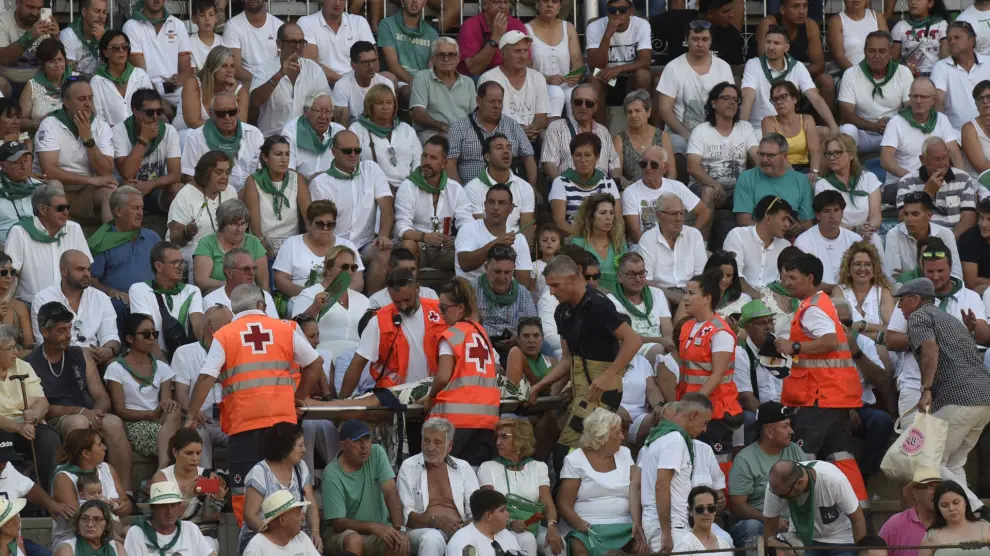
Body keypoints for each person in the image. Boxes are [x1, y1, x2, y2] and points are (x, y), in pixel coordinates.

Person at [184, 283, 323, 524]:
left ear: (234, 307)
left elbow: (207, 377)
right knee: (284, 482)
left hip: (244, 423)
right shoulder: (284, 328)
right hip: (282, 421)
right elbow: (315, 362)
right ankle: (290, 533)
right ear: (261, 304)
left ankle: (250, 536)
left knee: (245, 486)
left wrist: (190, 416)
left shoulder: (225, 335)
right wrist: (297, 397)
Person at [529, 255, 641, 469]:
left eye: (555, 285)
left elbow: (633, 341)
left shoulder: (598, 305)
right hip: (581, 390)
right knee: (566, 442)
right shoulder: (562, 311)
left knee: (566, 450)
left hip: (601, 392)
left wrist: (608, 375)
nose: (551, 292)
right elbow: (567, 360)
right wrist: (540, 386)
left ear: (572, 278)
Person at [774, 254, 869, 505]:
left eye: (792, 277)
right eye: (784, 277)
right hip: (834, 396)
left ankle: (801, 511)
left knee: (802, 456)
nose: (787, 282)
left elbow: (829, 341)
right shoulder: (820, 303)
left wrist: (794, 346)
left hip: (820, 396)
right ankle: (859, 510)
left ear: (809, 278)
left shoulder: (812, 309)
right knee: (841, 455)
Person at [896, 277, 990, 512]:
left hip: (958, 398)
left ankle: (976, 507)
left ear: (915, 299)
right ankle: (972, 519)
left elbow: (930, 350)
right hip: (984, 399)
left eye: (902, 300)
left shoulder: (919, 316)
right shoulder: (949, 318)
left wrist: (926, 389)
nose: (899, 306)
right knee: (954, 464)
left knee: (925, 457)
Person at [421, 276, 501, 462]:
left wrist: (430, 397)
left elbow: (443, 377)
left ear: (460, 308)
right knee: (473, 472)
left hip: (456, 419)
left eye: (443, 308)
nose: (440, 313)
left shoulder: (452, 335)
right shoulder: (481, 333)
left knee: (443, 471)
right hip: (487, 418)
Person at [309, 130, 394, 294]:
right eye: (348, 151)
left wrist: (383, 235)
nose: (353, 155)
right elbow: (322, 225)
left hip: (365, 245)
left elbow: (386, 207)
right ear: (334, 152)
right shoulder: (320, 183)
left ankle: (371, 303)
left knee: (384, 252)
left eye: (357, 150)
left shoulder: (371, 169)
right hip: (335, 247)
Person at [678, 270, 744, 476]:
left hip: (715, 411)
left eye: (691, 293)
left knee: (717, 464)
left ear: (707, 297)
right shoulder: (687, 326)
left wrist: (692, 405)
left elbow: (717, 375)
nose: (685, 298)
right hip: (692, 407)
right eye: (685, 293)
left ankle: (721, 495)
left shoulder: (720, 332)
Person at [558, 408, 644, 556]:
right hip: (589, 528)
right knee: (579, 547)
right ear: (602, 437)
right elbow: (564, 503)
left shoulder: (624, 453)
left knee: (642, 548)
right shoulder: (575, 460)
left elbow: (636, 489)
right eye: (617, 433)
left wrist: (637, 522)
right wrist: (580, 525)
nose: (622, 437)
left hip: (624, 528)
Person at [637, 393, 714, 552]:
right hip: (669, 526)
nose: (705, 429)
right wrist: (666, 532)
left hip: (664, 523)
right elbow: (661, 485)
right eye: (705, 423)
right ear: (694, 415)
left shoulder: (656, 437)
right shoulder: (674, 439)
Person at [321, 419, 409, 556]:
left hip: (379, 530)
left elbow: (391, 492)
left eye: (367, 439)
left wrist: (399, 529)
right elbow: (338, 523)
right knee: (354, 540)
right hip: (342, 534)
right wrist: (373, 527)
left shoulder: (377, 452)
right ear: (343, 445)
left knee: (398, 543)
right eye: (357, 441)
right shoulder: (331, 473)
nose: (364, 446)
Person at [477, 417, 564, 556]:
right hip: (501, 527)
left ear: (520, 439)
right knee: (526, 539)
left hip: (533, 526)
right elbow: (489, 506)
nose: (498, 442)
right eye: (497, 437)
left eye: (504, 437)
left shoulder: (538, 467)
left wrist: (552, 526)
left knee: (559, 545)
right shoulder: (488, 467)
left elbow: (547, 503)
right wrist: (511, 523)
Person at [104, 313, 180, 469]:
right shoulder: (115, 369)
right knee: (178, 444)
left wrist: (167, 406)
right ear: (130, 338)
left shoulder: (162, 368)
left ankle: (162, 469)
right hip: (132, 423)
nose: (152, 338)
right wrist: (150, 414)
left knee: (174, 410)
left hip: (159, 421)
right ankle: (163, 469)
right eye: (146, 334)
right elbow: (120, 410)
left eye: (154, 334)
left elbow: (165, 403)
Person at [34, 79, 117, 222]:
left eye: (90, 98)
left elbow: (106, 172)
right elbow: (49, 171)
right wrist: (91, 180)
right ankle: (57, 231)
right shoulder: (50, 124)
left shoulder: (101, 126)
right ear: (66, 102)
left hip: (85, 191)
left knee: (111, 188)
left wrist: (88, 139)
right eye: (82, 99)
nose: (88, 104)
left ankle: (109, 234)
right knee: (54, 185)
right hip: (55, 190)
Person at [397, 418, 480, 556]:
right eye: (426, 441)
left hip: (460, 528)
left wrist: (463, 530)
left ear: (449, 446)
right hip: (422, 531)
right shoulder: (409, 467)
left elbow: (476, 511)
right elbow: (407, 517)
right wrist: (436, 522)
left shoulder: (463, 467)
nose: (430, 448)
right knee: (432, 538)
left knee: (469, 539)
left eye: (437, 442)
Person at [727, 401, 804, 548]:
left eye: (790, 425)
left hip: (791, 523)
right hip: (758, 522)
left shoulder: (794, 450)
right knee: (752, 526)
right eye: (785, 426)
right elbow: (737, 505)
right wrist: (770, 520)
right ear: (769, 432)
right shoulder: (745, 459)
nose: (791, 431)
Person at [237, 422, 321, 553]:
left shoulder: (301, 467)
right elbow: (250, 515)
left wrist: (315, 531)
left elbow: (311, 505)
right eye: (300, 445)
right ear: (285, 449)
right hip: (262, 535)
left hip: (295, 533)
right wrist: (276, 539)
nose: (304, 450)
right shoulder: (260, 472)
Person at [740, 26, 837, 134]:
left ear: (786, 47)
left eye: (776, 43)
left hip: (791, 128)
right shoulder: (753, 64)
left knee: (827, 132)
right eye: (768, 42)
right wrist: (742, 130)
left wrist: (834, 127)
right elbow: (747, 97)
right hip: (760, 128)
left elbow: (816, 98)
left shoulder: (798, 67)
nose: (771, 47)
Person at [657, 22, 734, 158]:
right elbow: (664, 109)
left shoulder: (723, 67)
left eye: (705, 39)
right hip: (680, 133)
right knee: (677, 150)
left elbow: (730, 105)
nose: (700, 44)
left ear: (711, 41)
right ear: (686, 41)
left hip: (716, 132)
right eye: (695, 39)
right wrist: (688, 136)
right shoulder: (673, 67)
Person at [687, 83, 761, 220]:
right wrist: (715, 184)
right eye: (726, 98)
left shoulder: (745, 127)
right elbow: (692, 167)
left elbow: (758, 158)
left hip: (737, 188)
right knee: (709, 191)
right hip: (704, 186)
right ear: (714, 103)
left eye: (735, 99)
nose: (732, 102)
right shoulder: (701, 131)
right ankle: (703, 235)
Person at [30, 250, 119, 363]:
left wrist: (109, 350)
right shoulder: (43, 299)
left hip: (96, 358)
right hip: (59, 360)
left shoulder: (101, 298)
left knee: (114, 365)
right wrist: (81, 354)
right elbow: (43, 342)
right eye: (80, 269)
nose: (86, 274)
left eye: (89, 269)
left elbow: (110, 335)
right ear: (64, 271)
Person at [170, 304, 230, 469]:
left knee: (247, 435)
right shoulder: (184, 353)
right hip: (201, 420)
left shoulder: (237, 351)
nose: (234, 329)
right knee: (196, 432)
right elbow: (181, 396)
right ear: (211, 329)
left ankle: (237, 484)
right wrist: (194, 411)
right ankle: (204, 483)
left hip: (230, 420)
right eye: (228, 325)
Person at [762, 459, 868, 552]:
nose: (780, 498)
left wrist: (862, 551)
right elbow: (769, 530)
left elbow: (858, 519)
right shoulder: (777, 489)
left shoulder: (833, 480)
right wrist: (777, 546)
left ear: (800, 483)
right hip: (801, 539)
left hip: (840, 537)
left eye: (784, 496)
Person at [51, 428, 132, 547]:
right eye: (99, 444)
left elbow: (126, 503)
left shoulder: (107, 469)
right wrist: (107, 506)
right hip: (76, 540)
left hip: (111, 533)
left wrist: (123, 507)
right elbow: (76, 519)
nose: (105, 447)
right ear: (86, 454)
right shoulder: (64, 477)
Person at [446, 82, 537, 187]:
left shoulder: (513, 125)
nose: (496, 106)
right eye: (491, 101)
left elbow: (528, 156)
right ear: (478, 101)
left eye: (500, 101)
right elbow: (450, 162)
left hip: (508, 189)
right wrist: (460, 192)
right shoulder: (459, 127)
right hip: (472, 190)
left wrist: (531, 187)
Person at [394, 135, 463, 273]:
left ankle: (463, 287)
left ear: (444, 163)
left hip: (445, 249)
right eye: (424, 156)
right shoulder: (408, 187)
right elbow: (401, 227)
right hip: (418, 247)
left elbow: (467, 222)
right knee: (407, 245)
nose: (426, 162)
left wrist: (457, 239)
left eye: (433, 158)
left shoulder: (455, 188)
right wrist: (424, 237)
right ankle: (409, 285)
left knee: (471, 251)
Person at [249, 23, 331, 138]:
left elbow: (326, 105)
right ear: (279, 44)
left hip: (306, 139)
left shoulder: (313, 69)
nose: (298, 46)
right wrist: (280, 74)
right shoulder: (264, 68)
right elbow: (256, 101)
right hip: (273, 139)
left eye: (301, 42)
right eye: (292, 42)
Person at [837, 31, 913, 153]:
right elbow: (846, 115)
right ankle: (851, 164)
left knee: (912, 128)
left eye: (882, 51)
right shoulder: (851, 74)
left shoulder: (903, 72)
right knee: (847, 130)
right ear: (865, 52)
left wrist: (893, 123)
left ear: (890, 53)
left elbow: (911, 107)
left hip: (893, 131)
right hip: (863, 132)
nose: (877, 56)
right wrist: (874, 126)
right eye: (872, 51)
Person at [880, 77, 963, 188]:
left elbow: (955, 155)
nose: (918, 101)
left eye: (923, 97)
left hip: (936, 181)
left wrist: (961, 181)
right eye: (914, 96)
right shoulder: (896, 122)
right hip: (901, 183)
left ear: (933, 100)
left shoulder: (941, 119)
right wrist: (914, 179)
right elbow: (886, 161)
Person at [148, 429, 227, 545]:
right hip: (170, 531)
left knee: (208, 543)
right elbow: (163, 517)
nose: (195, 458)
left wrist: (216, 501)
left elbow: (210, 518)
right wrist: (188, 496)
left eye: (198, 453)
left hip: (201, 533)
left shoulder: (208, 477)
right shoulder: (162, 478)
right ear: (175, 452)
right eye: (189, 453)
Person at [273, 200, 364, 299]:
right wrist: (309, 295)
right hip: (300, 299)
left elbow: (358, 282)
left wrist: (332, 298)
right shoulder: (292, 243)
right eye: (320, 224)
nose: (325, 228)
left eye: (330, 225)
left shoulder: (347, 246)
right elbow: (280, 280)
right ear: (308, 224)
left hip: (339, 301)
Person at [88, 186, 162, 307]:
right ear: (118, 211)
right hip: (119, 304)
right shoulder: (101, 242)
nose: (140, 213)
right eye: (135, 208)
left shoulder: (152, 238)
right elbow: (91, 280)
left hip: (152, 301)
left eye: (142, 208)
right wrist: (110, 292)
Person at [128, 240, 203, 358]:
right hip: (153, 358)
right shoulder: (139, 289)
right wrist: (162, 366)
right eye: (175, 262)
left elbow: (198, 325)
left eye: (182, 262)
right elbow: (147, 333)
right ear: (158, 266)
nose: (181, 267)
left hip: (184, 358)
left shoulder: (192, 290)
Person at [289, 244, 369, 351]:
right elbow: (296, 331)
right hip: (322, 356)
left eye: (353, 267)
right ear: (328, 268)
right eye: (344, 267)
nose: (350, 272)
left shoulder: (363, 300)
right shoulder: (308, 295)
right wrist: (315, 307)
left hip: (356, 357)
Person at [180, 92, 264, 193]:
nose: (227, 117)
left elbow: (263, 171)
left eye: (232, 112)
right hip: (213, 194)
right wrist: (219, 194)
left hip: (250, 193)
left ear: (238, 111)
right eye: (221, 114)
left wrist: (248, 192)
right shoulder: (195, 137)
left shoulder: (254, 133)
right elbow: (189, 176)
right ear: (211, 113)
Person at [458, 132, 537, 240]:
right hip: (485, 245)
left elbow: (526, 230)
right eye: (499, 148)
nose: (506, 151)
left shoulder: (525, 187)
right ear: (487, 157)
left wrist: (517, 247)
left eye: (509, 148)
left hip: (516, 244)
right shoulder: (472, 188)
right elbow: (479, 230)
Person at [754, 0, 834, 107]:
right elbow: (765, 62)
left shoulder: (810, 25)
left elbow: (819, 65)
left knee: (826, 81)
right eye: (796, 6)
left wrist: (796, 75)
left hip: (798, 72)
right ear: (783, 9)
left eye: (805, 6)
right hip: (770, 74)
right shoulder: (769, 24)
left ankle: (824, 118)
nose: (801, 11)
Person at [243, 135, 311, 259]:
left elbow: (309, 216)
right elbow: (253, 218)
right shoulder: (253, 181)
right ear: (265, 157)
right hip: (262, 244)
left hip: (292, 245)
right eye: (278, 154)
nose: (284, 159)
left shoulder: (297, 179)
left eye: (287, 154)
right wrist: (261, 241)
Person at [894, 136, 978, 237]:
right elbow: (903, 219)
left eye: (945, 157)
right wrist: (927, 193)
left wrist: (948, 241)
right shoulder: (906, 182)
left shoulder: (963, 178)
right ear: (923, 160)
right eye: (936, 159)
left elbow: (968, 220)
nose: (942, 164)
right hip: (922, 239)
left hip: (954, 239)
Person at [585, 0, 652, 124]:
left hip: (630, 77)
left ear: (630, 11)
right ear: (607, 11)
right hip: (608, 80)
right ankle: (600, 131)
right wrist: (607, 35)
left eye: (622, 10)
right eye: (612, 10)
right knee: (593, 79)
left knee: (643, 75)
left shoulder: (641, 25)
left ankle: (640, 125)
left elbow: (645, 61)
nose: (617, 14)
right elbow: (595, 66)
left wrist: (618, 69)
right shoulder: (594, 26)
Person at [112, 88, 182, 206]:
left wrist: (152, 184)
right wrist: (143, 140)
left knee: (178, 189)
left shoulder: (169, 131)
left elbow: (176, 175)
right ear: (135, 111)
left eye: (159, 111)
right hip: (129, 191)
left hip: (156, 188)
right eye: (150, 112)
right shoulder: (119, 131)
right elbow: (127, 174)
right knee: (127, 184)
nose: (155, 117)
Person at [165, 151, 238, 262]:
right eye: (219, 172)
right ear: (205, 173)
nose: (224, 177)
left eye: (227, 172)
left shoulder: (231, 191)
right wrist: (187, 232)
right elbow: (175, 240)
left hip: (222, 249)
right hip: (189, 252)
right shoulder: (185, 195)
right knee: (201, 254)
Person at [454, 185, 534, 286]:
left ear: (511, 208)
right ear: (485, 205)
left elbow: (523, 282)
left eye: (501, 203)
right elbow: (465, 264)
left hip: (504, 293)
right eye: (491, 202)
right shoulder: (468, 229)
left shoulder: (519, 238)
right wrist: (496, 244)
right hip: (469, 292)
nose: (495, 207)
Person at [633, 193, 707, 301]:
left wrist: (688, 297)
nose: (679, 218)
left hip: (690, 295)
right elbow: (646, 281)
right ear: (658, 215)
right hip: (660, 296)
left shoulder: (694, 235)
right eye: (673, 214)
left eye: (682, 213)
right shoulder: (647, 239)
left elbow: (702, 276)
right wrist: (675, 298)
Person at [478, 32, 551, 140]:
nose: (523, 56)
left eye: (525, 50)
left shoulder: (537, 77)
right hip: (500, 138)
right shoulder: (488, 78)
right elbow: (487, 118)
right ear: (503, 54)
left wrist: (532, 129)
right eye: (517, 51)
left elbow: (541, 117)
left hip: (532, 137)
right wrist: (518, 130)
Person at [472, 245, 538, 364]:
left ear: (514, 269)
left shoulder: (523, 294)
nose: (502, 278)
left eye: (507, 272)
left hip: (515, 351)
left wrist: (518, 339)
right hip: (479, 350)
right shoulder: (471, 291)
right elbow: (459, 328)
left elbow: (534, 329)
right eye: (497, 272)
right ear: (486, 267)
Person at [542, 85, 621, 184]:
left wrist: (614, 183)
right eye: (578, 102)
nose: (583, 107)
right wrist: (563, 186)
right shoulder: (556, 128)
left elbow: (615, 165)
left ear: (595, 107)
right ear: (571, 103)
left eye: (589, 103)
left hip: (601, 190)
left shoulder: (603, 131)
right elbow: (549, 164)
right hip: (569, 187)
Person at [121, 0, 192, 107]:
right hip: (145, 92)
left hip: (176, 92)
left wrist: (177, 81)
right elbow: (141, 75)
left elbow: (186, 70)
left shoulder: (178, 24)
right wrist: (160, 102)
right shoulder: (131, 26)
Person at [733, 134, 814, 228]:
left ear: (784, 156)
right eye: (761, 154)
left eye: (770, 155)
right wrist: (776, 231)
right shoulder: (746, 178)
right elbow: (744, 222)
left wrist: (798, 229)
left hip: (793, 236)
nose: (764, 160)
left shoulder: (801, 181)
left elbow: (807, 223)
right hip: (757, 235)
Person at [815, 133, 883, 242]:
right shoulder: (822, 185)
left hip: (866, 234)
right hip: (839, 236)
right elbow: (827, 221)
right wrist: (855, 229)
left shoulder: (868, 178)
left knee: (874, 239)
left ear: (851, 155)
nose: (832, 158)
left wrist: (867, 228)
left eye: (837, 152)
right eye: (829, 153)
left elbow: (876, 216)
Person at [723, 195, 796, 297]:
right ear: (769, 218)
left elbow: (784, 283)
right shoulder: (738, 236)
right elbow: (734, 277)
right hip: (739, 297)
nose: (788, 225)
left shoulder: (785, 246)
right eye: (784, 219)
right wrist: (759, 297)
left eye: (789, 220)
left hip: (773, 299)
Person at [350, 84, 421, 188]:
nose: (385, 107)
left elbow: (418, 162)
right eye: (379, 103)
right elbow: (353, 164)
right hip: (372, 188)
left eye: (389, 102)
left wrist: (411, 186)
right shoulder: (356, 129)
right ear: (370, 106)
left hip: (408, 188)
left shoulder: (406, 129)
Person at [549, 133, 622, 234]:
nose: (583, 160)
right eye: (578, 155)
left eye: (587, 155)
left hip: (604, 238)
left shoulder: (608, 183)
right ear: (572, 157)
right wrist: (586, 239)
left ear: (597, 157)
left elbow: (618, 220)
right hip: (573, 238)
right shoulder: (561, 182)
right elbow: (560, 223)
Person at [192, 199, 269, 294]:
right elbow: (201, 280)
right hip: (216, 294)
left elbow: (263, 283)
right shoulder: (207, 243)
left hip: (247, 296)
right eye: (234, 224)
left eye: (243, 223)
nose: (240, 229)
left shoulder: (253, 242)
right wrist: (231, 286)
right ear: (222, 224)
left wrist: (266, 300)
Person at [884, 192, 963, 282]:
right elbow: (892, 279)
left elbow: (956, 276)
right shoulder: (894, 234)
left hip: (939, 289)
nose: (909, 219)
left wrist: (909, 276)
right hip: (907, 291)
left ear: (929, 215)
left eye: (915, 214)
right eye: (906, 214)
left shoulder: (946, 234)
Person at [409, 38, 476, 143]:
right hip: (432, 132)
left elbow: (476, 115)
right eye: (441, 55)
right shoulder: (422, 77)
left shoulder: (468, 82)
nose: (446, 59)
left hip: (463, 134)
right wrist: (443, 126)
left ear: (458, 58)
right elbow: (417, 113)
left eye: (451, 54)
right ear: (433, 58)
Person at [794, 191, 865, 289]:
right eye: (826, 211)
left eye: (836, 210)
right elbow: (805, 281)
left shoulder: (855, 240)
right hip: (817, 295)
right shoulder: (803, 241)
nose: (832, 216)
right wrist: (837, 289)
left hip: (852, 293)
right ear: (817, 215)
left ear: (842, 212)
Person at [124, 482, 216, 556]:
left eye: (173, 505)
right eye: (163, 506)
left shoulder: (190, 529)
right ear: (153, 508)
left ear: (179, 507)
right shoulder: (137, 533)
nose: (169, 512)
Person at [525, 0, 582, 121]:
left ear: (559, 6)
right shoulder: (527, 30)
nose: (550, 5)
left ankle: (575, 130)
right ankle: (552, 130)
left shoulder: (568, 27)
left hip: (566, 83)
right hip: (539, 85)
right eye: (545, 1)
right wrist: (547, 78)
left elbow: (577, 60)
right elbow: (525, 67)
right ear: (537, 4)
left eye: (555, 1)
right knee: (556, 92)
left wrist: (575, 74)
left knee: (575, 93)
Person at [608, 252, 674, 355]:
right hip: (630, 350)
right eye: (631, 275)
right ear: (620, 276)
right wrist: (660, 341)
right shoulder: (611, 301)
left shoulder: (657, 293)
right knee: (657, 349)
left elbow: (667, 327)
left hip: (660, 347)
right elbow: (625, 338)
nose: (638, 279)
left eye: (641, 273)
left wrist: (669, 342)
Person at [297, 0, 373, 87]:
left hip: (357, 82)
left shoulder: (359, 22)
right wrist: (346, 83)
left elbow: (372, 60)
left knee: (385, 77)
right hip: (323, 84)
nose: (337, 3)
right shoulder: (306, 22)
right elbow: (311, 65)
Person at [175, 46, 249, 134]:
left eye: (232, 66)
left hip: (223, 136)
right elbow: (193, 123)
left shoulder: (240, 92)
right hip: (189, 133)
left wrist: (230, 95)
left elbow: (240, 126)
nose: (229, 70)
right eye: (224, 66)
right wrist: (224, 128)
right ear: (213, 67)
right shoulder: (193, 84)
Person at [377, 0, 438, 104]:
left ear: (424, 3)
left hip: (422, 83)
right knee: (409, 92)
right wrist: (414, 82)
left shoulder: (432, 33)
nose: (414, 1)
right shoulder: (387, 25)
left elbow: (431, 68)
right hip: (397, 82)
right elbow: (392, 64)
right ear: (402, 1)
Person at [932, 22, 990, 131]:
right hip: (956, 133)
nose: (952, 42)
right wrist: (941, 131)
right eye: (949, 39)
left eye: (957, 37)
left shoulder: (988, 62)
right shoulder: (941, 67)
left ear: (972, 40)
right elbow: (938, 101)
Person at [90, 32, 154, 127]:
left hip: (142, 130)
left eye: (125, 47)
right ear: (105, 52)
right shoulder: (96, 81)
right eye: (115, 48)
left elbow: (151, 107)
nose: (121, 51)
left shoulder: (141, 75)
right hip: (110, 134)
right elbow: (98, 118)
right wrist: (119, 132)